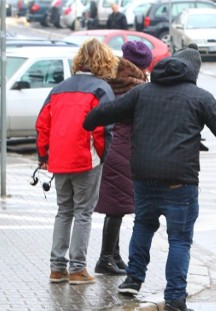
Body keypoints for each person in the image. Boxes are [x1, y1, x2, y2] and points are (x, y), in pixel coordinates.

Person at [83, 47, 216, 311]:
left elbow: (105, 112)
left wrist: (87, 120)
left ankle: (133, 281)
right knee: (180, 240)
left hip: (144, 177)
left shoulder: (142, 92)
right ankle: (175, 300)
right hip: (179, 183)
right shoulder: (200, 98)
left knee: (144, 226)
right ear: (194, 72)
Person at [36, 38, 118, 285]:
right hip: (86, 158)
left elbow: (42, 124)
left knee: (64, 211)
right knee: (84, 212)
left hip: (59, 160)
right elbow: (104, 128)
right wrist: (102, 156)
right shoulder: (101, 89)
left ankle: (57, 267)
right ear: (104, 61)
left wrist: (43, 156)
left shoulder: (59, 89)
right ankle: (78, 268)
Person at [94, 41, 152, 276]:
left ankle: (114, 255)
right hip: (121, 147)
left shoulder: (112, 77)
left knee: (117, 204)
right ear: (140, 65)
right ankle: (106, 257)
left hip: (112, 145)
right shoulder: (134, 86)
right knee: (117, 205)